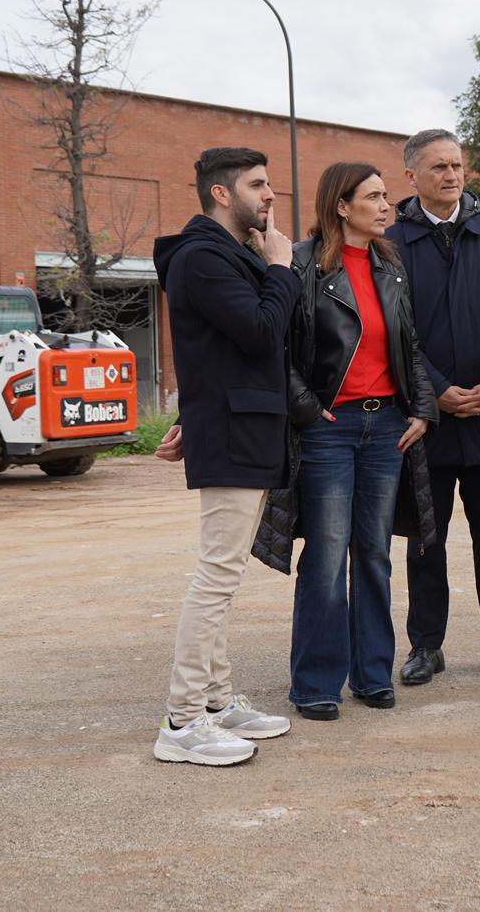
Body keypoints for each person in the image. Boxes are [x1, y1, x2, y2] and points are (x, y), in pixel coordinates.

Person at [148, 147, 298, 765]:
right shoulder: (203, 258)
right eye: (257, 185)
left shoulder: (228, 255)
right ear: (220, 193)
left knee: (223, 576)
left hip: (242, 429)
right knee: (216, 577)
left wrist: (192, 416)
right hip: (235, 434)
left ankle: (214, 701)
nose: (270, 195)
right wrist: (282, 267)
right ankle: (182, 721)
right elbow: (261, 332)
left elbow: (215, 353)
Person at [276, 162, 438, 720]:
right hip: (329, 428)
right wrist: (305, 407)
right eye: (373, 197)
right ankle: (316, 684)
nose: (386, 205)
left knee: (374, 553)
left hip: (387, 428)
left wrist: (423, 408)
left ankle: (372, 675)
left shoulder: (389, 265)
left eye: (386, 196)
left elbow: (409, 346)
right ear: (341, 206)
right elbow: (277, 349)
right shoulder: (302, 264)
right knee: (326, 556)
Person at [384, 129, 480, 685]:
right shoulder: (390, 243)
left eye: (456, 165)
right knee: (426, 541)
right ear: (411, 177)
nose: (451, 175)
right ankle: (426, 645)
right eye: (438, 167)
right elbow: (396, 330)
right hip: (426, 421)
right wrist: (437, 388)